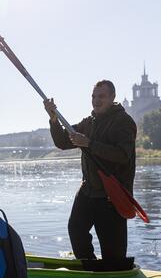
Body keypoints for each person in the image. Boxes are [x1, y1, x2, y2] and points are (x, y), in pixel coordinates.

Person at [44, 80, 137, 265]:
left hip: (112, 196)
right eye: (93, 96)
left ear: (112, 98)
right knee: (76, 230)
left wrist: (89, 143)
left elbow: (122, 155)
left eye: (101, 96)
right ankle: (89, 267)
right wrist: (54, 119)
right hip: (88, 191)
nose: (96, 100)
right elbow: (63, 142)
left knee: (114, 258)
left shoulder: (124, 122)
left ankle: (114, 275)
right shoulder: (88, 122)